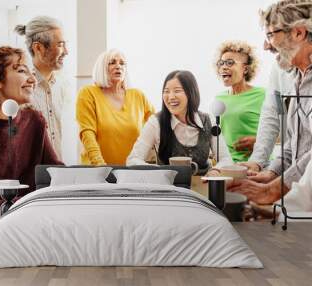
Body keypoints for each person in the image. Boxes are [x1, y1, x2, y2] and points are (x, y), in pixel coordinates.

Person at [0, 46, 62, 221]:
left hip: (35, 221)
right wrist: (34, 207)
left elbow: (57, 175)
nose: (32, 79)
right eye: (22, 71)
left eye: (31, 73)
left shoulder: (35, 121)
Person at [228, 0, 312, 204]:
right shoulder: (296, 79)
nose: (266, 46)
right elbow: (297, 142)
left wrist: (272, 190)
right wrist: (273, 172)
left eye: (271, 35)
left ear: (298, 33)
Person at [127, 70, 233, 175]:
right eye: (166, 91)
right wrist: (158, 171)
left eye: (177, 91)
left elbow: (226, 158)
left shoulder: (209, 120)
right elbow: (133, 160)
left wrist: (216, 170)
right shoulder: (156, 122)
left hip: (204, 186)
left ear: (191, 92)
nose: (171, 97)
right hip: (170, 188)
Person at [76, 49, 155, 165]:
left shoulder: (138, 96)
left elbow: (157, 127)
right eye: (112, 62)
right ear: (101, 68)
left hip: (131, 172)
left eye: (122, 63)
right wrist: (100, 166)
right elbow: (87, 134)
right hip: (97, 172)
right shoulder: (88, 93)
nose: (118, 66)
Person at [15, 16, 70, 160]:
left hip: (56, 173)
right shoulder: (20, 85)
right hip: (29, 177)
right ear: (38, 47)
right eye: (60, 45)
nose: (66, 51)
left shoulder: (62, 84)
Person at [215, 41, 265, 162]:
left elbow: (287, 132)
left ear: (245, 69)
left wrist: (259, 141)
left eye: (230, 63)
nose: (224, 67)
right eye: (221, 63)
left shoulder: (264, 95)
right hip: (227, 164)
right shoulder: (218, 99)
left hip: (258, 163)